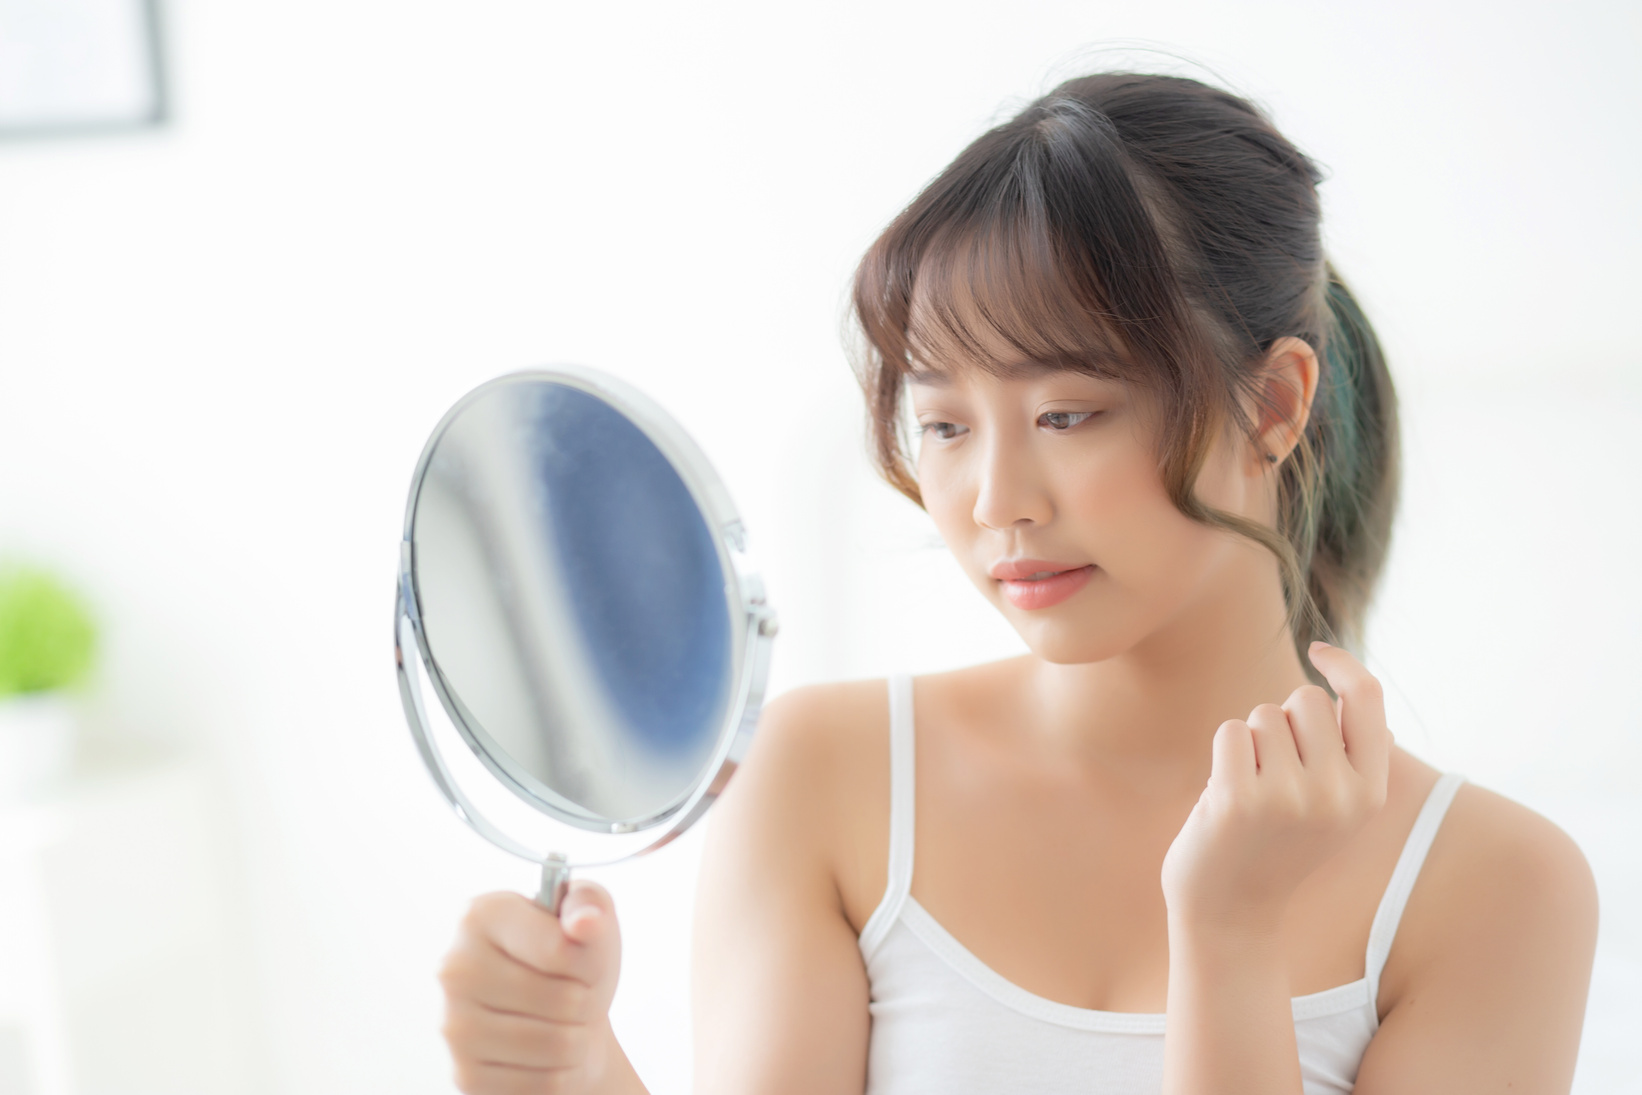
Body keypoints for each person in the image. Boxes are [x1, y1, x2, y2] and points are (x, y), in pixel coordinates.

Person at [434, 72, 1598, 1095]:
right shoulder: (826, 782)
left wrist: (1231, 936)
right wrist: (572, 1073)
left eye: (1066, 414)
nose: (996, 500)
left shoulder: (1494, 890)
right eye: (941, 424)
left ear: (1275, 404)